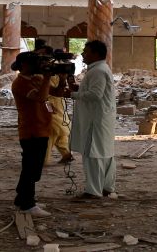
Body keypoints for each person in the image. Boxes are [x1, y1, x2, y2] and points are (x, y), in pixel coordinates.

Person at [68, 40, 116, 200]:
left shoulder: (97, 71)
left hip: (95, 120)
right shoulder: (100, 69)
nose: (82, 54)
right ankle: (106, 187)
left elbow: (95, 95)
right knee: (104, 153)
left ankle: (93, 191)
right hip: (101, 118)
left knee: (93, 154)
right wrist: (78, 89)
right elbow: (94, 91)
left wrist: (72, 94)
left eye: (86, 51)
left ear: (95, 54)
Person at [12, 51, 54, 216]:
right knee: (31, 168)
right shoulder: (20, 83)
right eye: (35, 63)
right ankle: (28, 204)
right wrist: (47, 77)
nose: (39, 66)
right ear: (24, 65)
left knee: (33, 168)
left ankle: (21, 198)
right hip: (31, 130)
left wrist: (64, 77)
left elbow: (55, 92)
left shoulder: (36, 79)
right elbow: (41, 97)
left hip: (42, 127)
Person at [43, 48, 74, 164]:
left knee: (52, 131)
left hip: (54, 104)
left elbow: (57, 92)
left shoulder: (53, 72)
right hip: (53, 103)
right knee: (60, 129)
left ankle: (44, 160)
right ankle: (66, 154)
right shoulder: (47, 73)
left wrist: (65, 80)